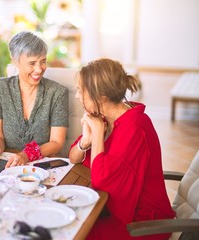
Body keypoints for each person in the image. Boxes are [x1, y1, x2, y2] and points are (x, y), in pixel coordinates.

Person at [69, 58, 175, 240]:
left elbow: (100, 181)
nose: (77, 96)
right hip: (112, 210)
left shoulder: (135, 127)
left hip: (143, 223)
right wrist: (85, 141)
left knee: (73, 232)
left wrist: (96, 134)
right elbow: (73, 156)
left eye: (81, 90)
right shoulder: (104, 118)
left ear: (101, 96)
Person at [0, 31, 69, 167]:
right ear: (15, 61)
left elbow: (56, 143)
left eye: (42, 61)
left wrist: (27, 155)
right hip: (9, 165)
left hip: (43, 166)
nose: (39, 69)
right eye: (32, 63)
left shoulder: (57, 93)